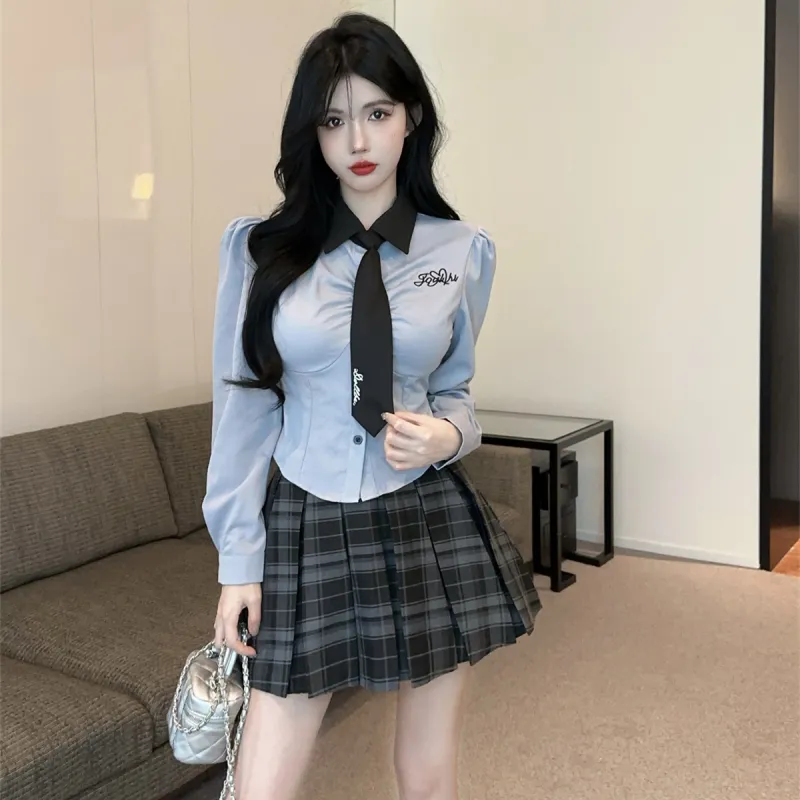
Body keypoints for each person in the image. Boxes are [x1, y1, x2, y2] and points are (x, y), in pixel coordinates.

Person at [202, 12, 541, 800]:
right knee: (261, 785)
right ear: (311, 133)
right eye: (332, 120)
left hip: (423, 514)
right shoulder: (261, 251)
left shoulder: (461, 252)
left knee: (426, 773)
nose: (357, 140)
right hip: (306, 517)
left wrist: (447, 436)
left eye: (377, 112)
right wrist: (238, 561)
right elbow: (243, 410)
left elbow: (458, 394)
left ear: (410, 117)